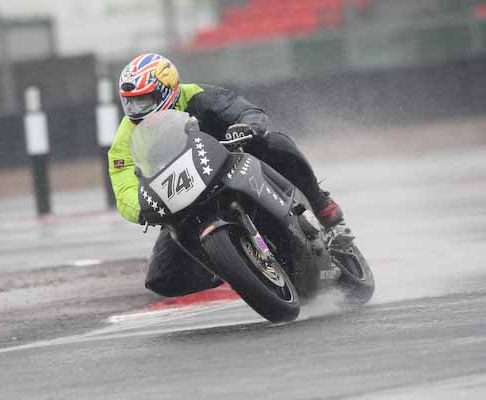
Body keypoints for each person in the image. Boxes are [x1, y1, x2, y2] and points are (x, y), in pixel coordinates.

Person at [108, 53, 343, 297]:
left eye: (143, 100)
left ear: (167, 91)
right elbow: (123, 184)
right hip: (181, 197)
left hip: (229, 161)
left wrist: (248, 127)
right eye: (130, 102)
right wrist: (143, 209)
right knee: (162, 279)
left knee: (276, 143)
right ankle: (233, 268)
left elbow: (244, 110)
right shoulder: (125, 137)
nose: (135, 109)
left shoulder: (198, 95)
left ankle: (323, 208)